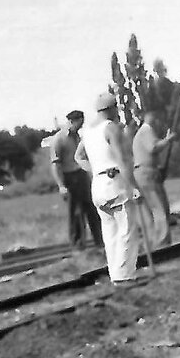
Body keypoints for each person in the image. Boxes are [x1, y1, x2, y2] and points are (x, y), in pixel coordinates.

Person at [74, 92, 143, 286]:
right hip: (115, 182)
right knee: (127, 229)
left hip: (98, 184)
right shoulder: (110, 128)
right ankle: (125, 276)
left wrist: (96, 170)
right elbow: (122, 159)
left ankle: (116, 274)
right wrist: (133, 186)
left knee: (110, 232)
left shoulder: (88, 132)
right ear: (111, 109)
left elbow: (78, 157)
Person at [48, 110, 104, 249]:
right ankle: (78, 245)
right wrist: (61, 185)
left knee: (91, 208)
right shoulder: (59, 139)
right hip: (68, 177)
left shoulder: (78, 137)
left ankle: (100, 240)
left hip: (81, 175)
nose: (80, 126)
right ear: (71, 122)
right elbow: (55, 164)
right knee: (75, 212)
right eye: (79, 123)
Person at [132, 109, 177, 248]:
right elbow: (153, 148)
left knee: (154, 208)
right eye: (155, 117)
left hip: (145, 172)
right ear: (150, 117)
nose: (157, 121)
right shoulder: (146, 130)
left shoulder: (143, 132)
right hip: (147, 172)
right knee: (160, 208)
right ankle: (162, 243)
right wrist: (168, 140)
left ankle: (155, 241)